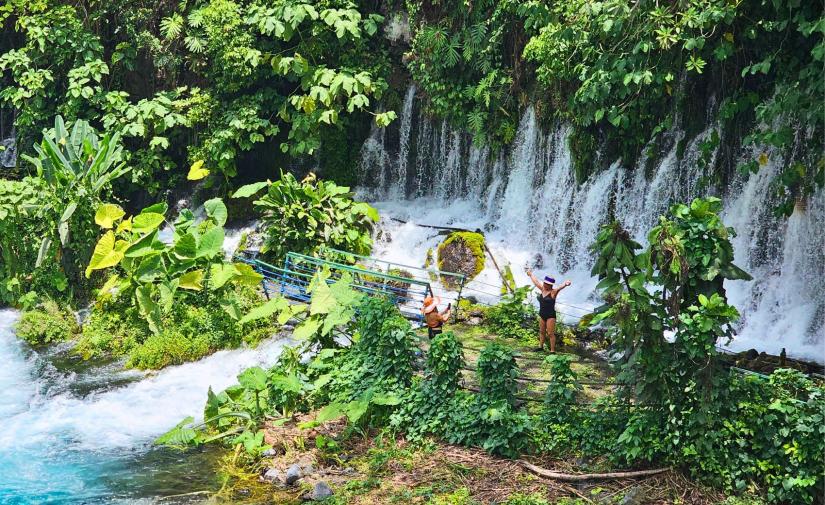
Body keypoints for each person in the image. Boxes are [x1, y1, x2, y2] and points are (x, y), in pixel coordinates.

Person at [525, 268, 571, 352]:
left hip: (550, 316)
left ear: (550, 285)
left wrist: (565, 284)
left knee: (550, 333)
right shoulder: (542, 289)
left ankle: (552, 351)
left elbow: (559, 288)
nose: (545, 284)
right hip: (542, 314)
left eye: (546, 284)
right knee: (542, 332)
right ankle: (540, 347)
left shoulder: (553, 292)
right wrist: (530, 274)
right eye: (544, 283)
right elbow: (536, 282)